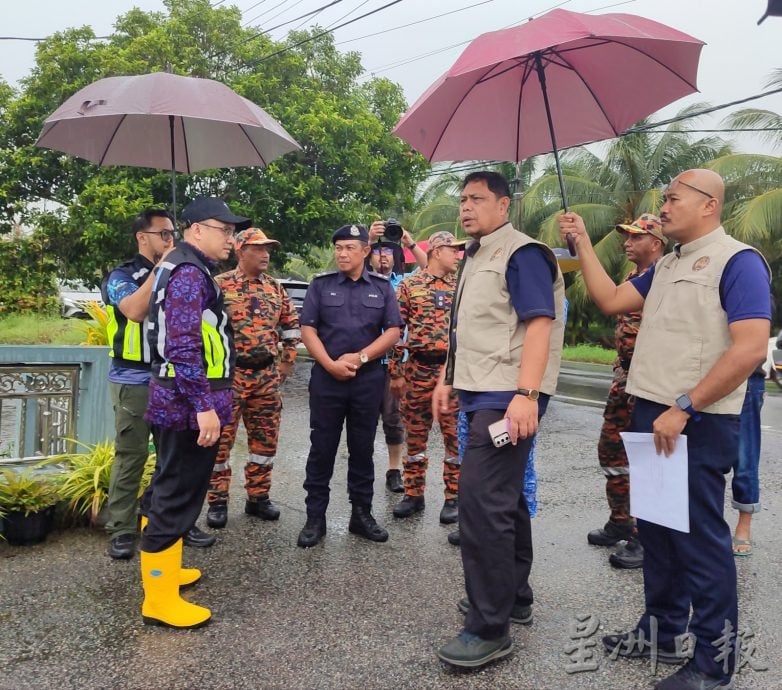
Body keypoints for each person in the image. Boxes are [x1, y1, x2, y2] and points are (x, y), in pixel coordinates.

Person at [559, 169, 770, 690]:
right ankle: (662, 629)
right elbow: (610, 300)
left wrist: (686, 406)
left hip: (694, 420)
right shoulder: (668, 265)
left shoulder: (737, 262)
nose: (665, 206)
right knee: (656, 531)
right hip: (650, 412)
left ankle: (713, 664)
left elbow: (749, 347)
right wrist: (583, 243)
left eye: (674, 197)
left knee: (699, 539)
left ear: (708, 204)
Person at [433, 171, 566, 668]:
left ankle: (490, 628)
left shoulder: (522, 253)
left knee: (481, 502)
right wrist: (448, 380)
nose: (466, 207)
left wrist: (527, 394)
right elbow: (472, 329)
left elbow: (539, 322)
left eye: (478, 199)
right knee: (502, 498)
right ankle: (515, 597)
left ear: (504, 205)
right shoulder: (477, 253)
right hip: (480, 392)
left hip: (508, 395)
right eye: (462, 199)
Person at [140, 196, 250, 629]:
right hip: (187, 406)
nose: (232, 239)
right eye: (225, 230)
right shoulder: (188, 272)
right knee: (177, 495)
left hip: (178, 402)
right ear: (197, 230)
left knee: (167, 486)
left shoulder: (187, 267)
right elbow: (182, 344)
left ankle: (164, 572)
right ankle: (159, 599)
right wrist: (204, 405)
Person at [297, 224, 403, 548]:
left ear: (365, 251)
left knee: (363, 448)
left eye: (349, 248)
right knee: (322, 449)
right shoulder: (321, 285)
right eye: (338, 248)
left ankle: (362, 515)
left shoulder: (382, 288)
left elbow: (393, 331)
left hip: (367, 380)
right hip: (327, 379)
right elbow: (307, 329)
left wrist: (358, 358)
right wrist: (330, 363)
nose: (342, 254)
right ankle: (315, 518)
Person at [102, 209, 195, 559]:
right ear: (143, 237)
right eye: (164, 234)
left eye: (174, 234)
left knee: (174, 457)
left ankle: (166, 521)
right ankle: (122, 528)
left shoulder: (178, 274)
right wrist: (162, 267)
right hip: (134, 378)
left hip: (170, 376)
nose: (171, 240)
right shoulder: (121, 275)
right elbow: (133, 310)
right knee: (132, 455)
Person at [205, 228, 301, 528]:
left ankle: (258, 497)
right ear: (240, 250)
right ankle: (217, 501)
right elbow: (203, 331)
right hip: (230, 376)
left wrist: (287, 362)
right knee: (220, 444)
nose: (265, 254)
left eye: (268, 248)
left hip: (266, 378)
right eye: (258, 248)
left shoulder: (275, 288)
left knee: (265, 442)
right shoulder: (219, 286)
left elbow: (291, 327)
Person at [587, 214, 665, 571]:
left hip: (651, 382)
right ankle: (621, 520)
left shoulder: (665, 280)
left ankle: (645, 539)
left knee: (646, 460)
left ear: (656, 242)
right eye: (626, 236)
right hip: (625, 380)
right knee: (612, 450)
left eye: (636, 236)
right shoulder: (633, 278)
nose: (627, 242)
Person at [389, 231, 464, 524]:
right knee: (416, 436)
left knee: (454, 437)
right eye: (452, 250)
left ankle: (453, 497)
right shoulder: (411, 285)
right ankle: (413, 493)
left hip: (452, 374)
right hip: (418, 369)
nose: (457, 255)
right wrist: (395, 372)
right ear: (435, 251)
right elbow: (396, 329)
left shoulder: (461, 287)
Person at [368, 220, 427, 493]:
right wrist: (369, 241)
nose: (384, 257)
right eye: (380, 252)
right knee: (363, 419)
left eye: (390, 253)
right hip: (365, 363)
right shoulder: (361, 281)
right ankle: (362, 469)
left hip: (395, 366)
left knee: (394, 421)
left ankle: (394, 470)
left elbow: (428, 269)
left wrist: (409, 241)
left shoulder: (404, 283)